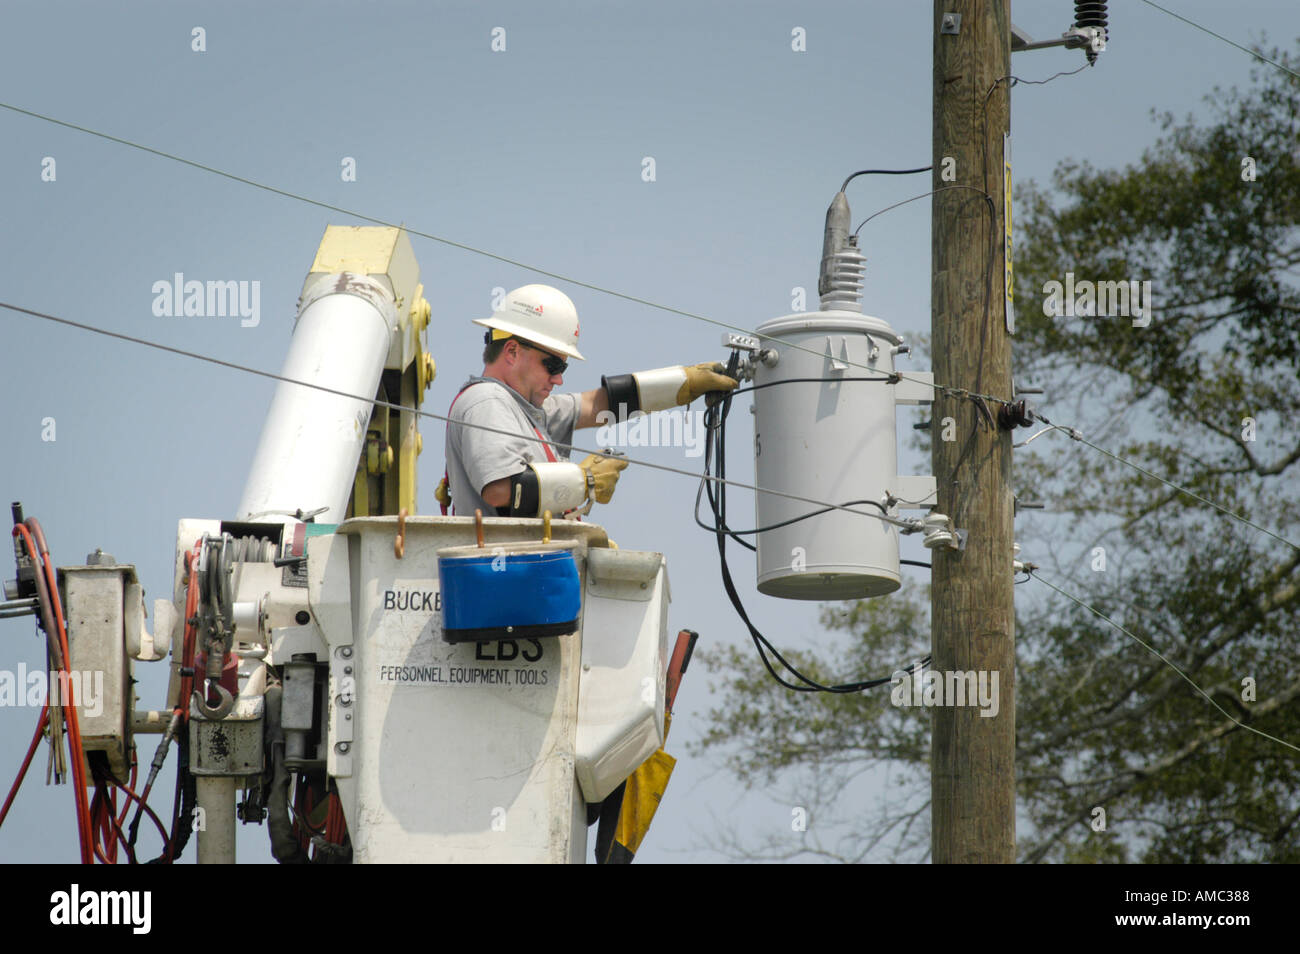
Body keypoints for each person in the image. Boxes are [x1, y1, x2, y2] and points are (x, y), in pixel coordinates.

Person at [436, 284, 738, 517]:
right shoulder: (486, 401)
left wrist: (684, 382)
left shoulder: (525, 409)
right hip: (507, 580)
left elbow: (599, 405)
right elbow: (500, 490)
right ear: (513, 352)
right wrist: (584, 480)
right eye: (552, 366)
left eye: (562, 368)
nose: (559, 379)